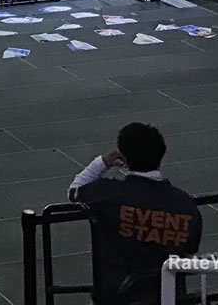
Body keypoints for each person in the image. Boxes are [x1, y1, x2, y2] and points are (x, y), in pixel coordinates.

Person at [68, 122, 202, 304]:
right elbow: (189, 249)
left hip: (117, 296)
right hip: (169, 296)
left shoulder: (109, 194)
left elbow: (75, 190)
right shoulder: (186, 204)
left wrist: (103, 162)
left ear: (124, 157)